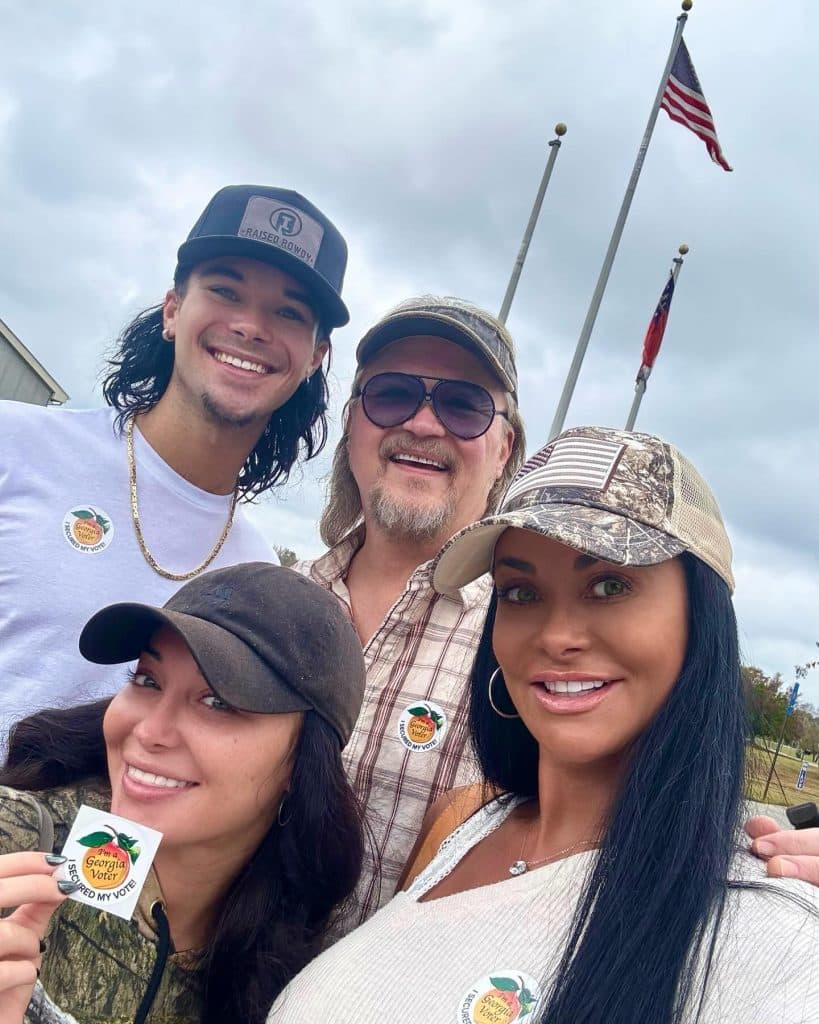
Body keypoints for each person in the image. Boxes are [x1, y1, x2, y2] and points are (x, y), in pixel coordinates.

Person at [271, 426, 819, 1022]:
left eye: (609, 585)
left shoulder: (774, 933)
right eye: (521, 592)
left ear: (700, 620)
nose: (557, 636)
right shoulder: (464, 825)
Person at [0, 183, 349, 738]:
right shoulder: (15, 445)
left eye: (288, 311)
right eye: (226, 290)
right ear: (173, 309)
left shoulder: (256, 571)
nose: (251, 326)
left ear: (314, 358)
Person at [0, 561, 365, 1024]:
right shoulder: (17, 838)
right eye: (147, 680)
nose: (150, 731)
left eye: (217, 702)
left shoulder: (301, 982)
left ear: (302, 763)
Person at [296, 295, 526, 921]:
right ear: (352, 425)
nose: (425, 424)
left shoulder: (535, 648)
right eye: (392, 394)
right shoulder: (273, 602)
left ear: (504, 449)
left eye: (464, 405)